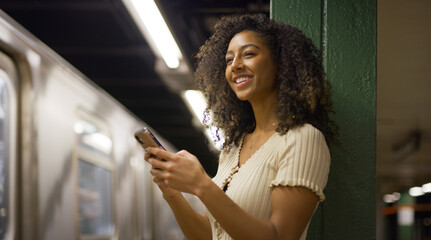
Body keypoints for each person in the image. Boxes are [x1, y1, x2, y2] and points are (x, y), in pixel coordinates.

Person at [145, 14, 338, 240]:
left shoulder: (302, 139)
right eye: (228, 60)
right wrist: (173, 195)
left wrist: (202, 185)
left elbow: (281, 236)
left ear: (280, 63)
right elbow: (210, 236)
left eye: (248, 54)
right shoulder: (232, 148)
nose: (235, 65)